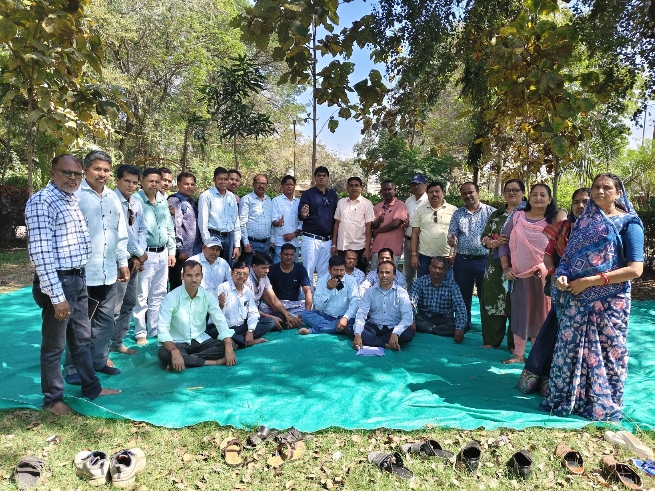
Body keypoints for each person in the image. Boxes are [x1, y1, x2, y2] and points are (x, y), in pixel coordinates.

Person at [541, 174, 644, 421]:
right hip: (576, 300)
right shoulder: (583, 224)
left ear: (618, 193)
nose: (600, 191)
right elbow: (566, 260)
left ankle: (600, 405)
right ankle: (569, 400)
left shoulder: (629, 223)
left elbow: (635, 270)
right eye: (596, 187)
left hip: (610, 301)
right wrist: (562, 276)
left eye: (607, 187)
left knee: (608, 353)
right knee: (569, 351)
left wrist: (590, 282)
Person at [26, 154, 120, 416]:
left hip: (78, 279)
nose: (72, 178)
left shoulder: (70, 200)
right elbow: (41, 254)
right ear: (52, 172)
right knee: (54, 346)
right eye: (66, 172)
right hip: (59, 282)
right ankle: (53, 400)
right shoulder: (42, 202)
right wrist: (57, 297)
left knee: (81, 338)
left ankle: (92, 387)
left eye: (77, 174)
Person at [63, 150, 130, 385]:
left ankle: (99, 361)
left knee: (105, 321)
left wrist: (123, 262)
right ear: (85, 170)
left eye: (106, 170)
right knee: (79, 325)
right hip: (83, 272)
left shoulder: (112, 197)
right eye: (97, 169)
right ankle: (73, 367)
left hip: (109, 271)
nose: (102, 174)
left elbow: (120, 233)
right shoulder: (75, 196)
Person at [516, 188, 590, 396]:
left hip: (589, 293)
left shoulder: (601, 229)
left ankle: (575, 386)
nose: (580, 206)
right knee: (555, 332)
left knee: (581, 340)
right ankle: (545, 378)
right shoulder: (561, 228)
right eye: (576, 201)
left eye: (585, 201)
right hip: (562, 289)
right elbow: (548, 255)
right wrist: (555, 273)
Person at [499, 183, 563, 364]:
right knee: (519, 314)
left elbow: (561, 246)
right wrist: (506, 268)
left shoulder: (554, 220)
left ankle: (536, 355)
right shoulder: (517, 216)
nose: (538, 198)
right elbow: (503, 243)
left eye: (543, 195)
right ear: (529, 197)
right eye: (534, 194)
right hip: (519, 276)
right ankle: (519, 355)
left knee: (541, 315)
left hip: (545, 277)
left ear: (550, 200)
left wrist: (546, 269)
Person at [157, 260, 236, 371]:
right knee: (163, 353)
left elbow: (220, 321)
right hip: (178, 343)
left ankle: (184, 360)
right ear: (182, 276)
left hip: (200, 341)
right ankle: (211, 362)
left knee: (230, 344)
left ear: (202, 276)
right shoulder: (170, 298)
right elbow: (162, 329)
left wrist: (228, 345)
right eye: (189, 275)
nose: (194, 279)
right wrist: (174, 351)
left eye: (197, 275)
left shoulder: (208, 296)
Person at [478, 179, 525, 352]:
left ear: (522, 193)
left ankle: (515, 344)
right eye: (507, 190)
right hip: (495, 266)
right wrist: (494, 243)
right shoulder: (497, 214)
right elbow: (484, 236)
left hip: (521, 266)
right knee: (492, 299)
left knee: (517, 302)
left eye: (515, 190)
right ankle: (492, 339)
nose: (511, 193)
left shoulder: (529, 212)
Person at [132, 168, 176, 345]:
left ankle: (155, 329)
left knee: (159, 293)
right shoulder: (135, 200)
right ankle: (140, 332)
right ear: (142, 181)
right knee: (141, 295)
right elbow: (132, 230)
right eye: (150, 181)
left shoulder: (162, 200)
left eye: (157, 181)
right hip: (145, 254)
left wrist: (171, 251)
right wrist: (137, 255)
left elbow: (169, 226)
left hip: (162, 252)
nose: (154, 185)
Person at [447, 182, 496, 331]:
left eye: (470, 192)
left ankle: (488, 327)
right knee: (462, 294)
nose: (468, 196)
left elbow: (496, 235)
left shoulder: (491, 212)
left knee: (486, 295)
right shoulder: (458, 214)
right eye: (464, 193)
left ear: (477, 192)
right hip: (463, 261)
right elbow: (452, 233)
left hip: (485, 260)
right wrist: (451, 239)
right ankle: (463, 324)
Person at [111, 165, 149, 356]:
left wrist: (138, 256)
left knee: (129, 303)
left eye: (135, 182)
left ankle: (117, 342)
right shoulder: (111, 201)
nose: (131, 185)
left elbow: (142, 229)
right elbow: (121, 233)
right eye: (127, 181)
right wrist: (139, 253)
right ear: (117, 180)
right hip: (117, 261)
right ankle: (102, 348)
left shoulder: (136, 202)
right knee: (113, 307)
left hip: (134, 260)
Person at [346, 261, 414, 350]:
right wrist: (358, 334)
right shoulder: (370, 291)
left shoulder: (401, 292)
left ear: (394, 275)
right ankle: (385, 344)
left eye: (387, 272)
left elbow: (407, 316)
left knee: (408, 334)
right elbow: (361, 313)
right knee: (350, 328)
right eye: (381, 272)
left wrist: (396, 332)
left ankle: (374, 340)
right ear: (377, 274)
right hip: (373, 327)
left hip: (392, 328)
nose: (384, 275)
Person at [409, 256, 468, 340]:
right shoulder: (420, 282)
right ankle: (439, 330)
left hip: (445, 319)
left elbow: (460, 307)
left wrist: (459, 328)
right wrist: (412, 320)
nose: (437, 270)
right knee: (413, 317)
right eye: (434, 267)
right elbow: (411, 303)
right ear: (429, 268)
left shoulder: (452, 285)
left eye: (440, 268)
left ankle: (429, 329)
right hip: (425, 317)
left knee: (465, 325)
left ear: (445, 270)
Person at [300, 255, 360, 335]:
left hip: (342, 316)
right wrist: (328, 290)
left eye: (342, 270)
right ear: (329, 269)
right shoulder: (322, 281)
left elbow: (355, 302)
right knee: (305, 315)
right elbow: (318, 307)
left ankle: (314, 330)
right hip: (324, 316)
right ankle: (333, 328)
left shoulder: (351, 281)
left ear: (345, 269)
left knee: (352, 320)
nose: (339, 273)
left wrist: (345, 318)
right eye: (336, 270)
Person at [298, 166, 339, 284]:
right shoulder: (308, 194)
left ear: (328, 178)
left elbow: (337, 216)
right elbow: (301, 215)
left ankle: (320, 296)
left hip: (327, 241)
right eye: (319, 175)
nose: (321, 178)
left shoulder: (332, 195)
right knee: (308, 271)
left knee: (324, 273)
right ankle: (307, 296)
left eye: (324, 175)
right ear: (315, 177)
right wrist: (304, 214)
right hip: (311, 239)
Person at [215, 261, 270, 347]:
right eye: (238, 273)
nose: (241, 276)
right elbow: (217, 318)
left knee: (270, 322)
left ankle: (238, 341)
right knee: (218, 332)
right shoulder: (223, 288)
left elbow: (253, 312)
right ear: (231, 273)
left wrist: (250, 331)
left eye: (245, 274)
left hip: (240, 327)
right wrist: (221, 306)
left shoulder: (247, 290)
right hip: (223, 327)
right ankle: (245, 342)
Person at [410, 181, 457, 279]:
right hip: (424, 257)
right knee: (423, 284)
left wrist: (455, 254)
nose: (434, 194)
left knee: (446, 286)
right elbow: (414, 233)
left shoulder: (453, 210)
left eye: (437, 191)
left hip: (446, 257)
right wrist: (414, 255)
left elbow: (458, 234)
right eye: (431, 192)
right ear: (427, 194)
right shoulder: (420, 210)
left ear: (443, 193)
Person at [197, 166, 241, 266]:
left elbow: (236, 221)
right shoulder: (206, 196)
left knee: (228, 268)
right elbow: (202, 223)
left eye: (226, 179)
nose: (223, 182)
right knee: (212, 266)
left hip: (230, 238)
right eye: (220, 179)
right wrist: (207, 243)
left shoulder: (231, 197)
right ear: (214, 179)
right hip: (214, 237)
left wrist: (237, 245)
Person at [246, 253, 302, 329]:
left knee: (281, 315)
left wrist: (287, 315)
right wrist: (269, 316)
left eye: (268, 267)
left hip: (257, 311)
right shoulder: (246, 279)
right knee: (271, 321)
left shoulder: (264, 277)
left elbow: (274, 299)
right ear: (254, 267)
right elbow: (247, 308)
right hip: (247, 312)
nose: (267, 271)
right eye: (263, 268)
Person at [332, 176, 374, 271]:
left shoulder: (367, 204)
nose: (354, 188)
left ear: (361, 188)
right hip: (342, 247)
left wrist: (367, 249)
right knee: (341, 273)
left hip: (359, 247)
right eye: (351, 185)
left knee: (359, 274)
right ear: (347, 188)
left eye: (356, 185)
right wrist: (334, 245)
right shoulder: (341, 202)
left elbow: (368, 227)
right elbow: (336, 224)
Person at [168, 172, 202, 290]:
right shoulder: (175, 200)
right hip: (183, 252)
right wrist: (180, 249)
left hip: (194, 251)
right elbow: (175, 226)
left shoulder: (191, 201)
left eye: (192, 184)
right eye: (186, 184)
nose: (190, 187)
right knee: (178, 285)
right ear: (178, 184)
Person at [264, 244, 313, 318]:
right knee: (262, 307)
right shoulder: (272, 269)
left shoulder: (300, 269)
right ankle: (294, 317)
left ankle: (283, 317)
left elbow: (307, 290)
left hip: (294, 304)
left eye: (291, 255)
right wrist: (273, 307)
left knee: (311, 307)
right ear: (280, 255)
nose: (289, 257)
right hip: (277, 303)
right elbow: (265, 291)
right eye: (286, 254)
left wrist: (307, 312)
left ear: (294, 256)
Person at [371, 180, 408, 270]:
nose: (387, 191)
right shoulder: (377, 207)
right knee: (375, 274)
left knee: (390, 275)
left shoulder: (400, 205)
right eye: (384, 190)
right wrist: (378, 220)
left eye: (389, 189)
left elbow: (395, 224)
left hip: (393, 250)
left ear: (395, 190)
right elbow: (373, 225)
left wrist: (377, 231)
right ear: (381, 191)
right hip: (377, 248)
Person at [239, 174, 273, 265]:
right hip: (251, 244)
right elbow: (242, 223)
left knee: (264, 270)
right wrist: (246, 243)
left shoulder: (269, 200)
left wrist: (272, 240)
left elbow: (271, 222)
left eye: (264, 183)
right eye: (258, 183)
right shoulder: (246, 199)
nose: (261, 186)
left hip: (266, 244)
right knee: (250, 270)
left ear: (266, 186)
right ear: (253, 184)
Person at [403, 174, 428, 290]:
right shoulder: (409, 200)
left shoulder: (428, 200)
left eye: (419, 184)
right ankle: (409, 297)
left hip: (422, 242)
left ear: (425, 185)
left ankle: (420, 297)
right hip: (408, 240)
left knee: (421, 272)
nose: (416, 186)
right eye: (413, 184)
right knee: (409, 274)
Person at [271, 175, 302, 264]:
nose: (289, 186)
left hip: (294, 243)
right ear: (282, 186)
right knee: (278, 268)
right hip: (280, 242)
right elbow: (273, 220)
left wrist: (294, 234)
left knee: (294, 268)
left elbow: (302, 222)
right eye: (287, 184)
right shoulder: (276, 201)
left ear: (294, 187)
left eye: (291, 185)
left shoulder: (299, 202)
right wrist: (278, 223)